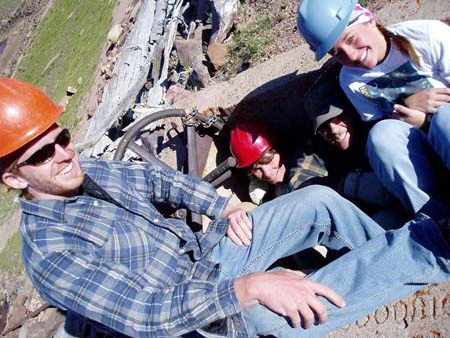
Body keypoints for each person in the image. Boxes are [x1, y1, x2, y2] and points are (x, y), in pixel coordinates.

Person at [1, 78, 449, 338]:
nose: (63, 154)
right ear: (14, 178)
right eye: (41, 155)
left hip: (210, 255)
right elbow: (147, 315)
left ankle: (390, 260)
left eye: (61, 138)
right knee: (268, 309)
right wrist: (249, 287)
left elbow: (158, 179)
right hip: (191, 323)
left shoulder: (90, 171)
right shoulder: (51, 254)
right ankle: (432, 248)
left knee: (316, 201)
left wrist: (221, 204)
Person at [297, 0, 450, 221]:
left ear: (369, 19)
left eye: (351, 39)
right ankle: (435, 222)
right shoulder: (350, 81)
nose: (351, 56)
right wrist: (412, 112)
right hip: (423, 152)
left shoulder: (427, 36)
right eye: (337, 53)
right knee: (381, 137)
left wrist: (426, 119)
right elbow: (385, 132)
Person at [230, 120, 326, 205]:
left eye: (268, 160)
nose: (267, 173)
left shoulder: (305, 160)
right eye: (256, 169)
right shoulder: (270, 187)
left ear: (281, 148)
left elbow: (299, 187)